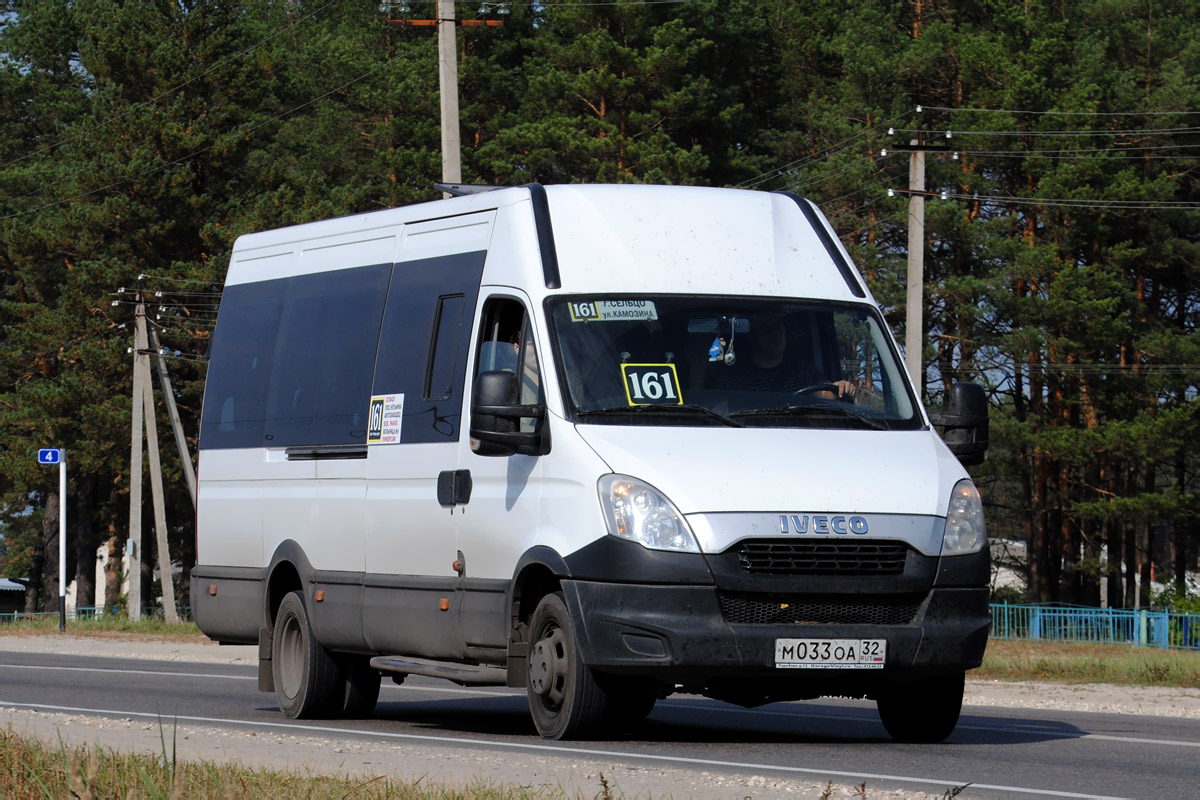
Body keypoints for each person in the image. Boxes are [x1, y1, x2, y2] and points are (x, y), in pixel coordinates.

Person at [720, 313, 856, 399]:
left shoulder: (804, 373)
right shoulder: (732, 381)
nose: (775, 334)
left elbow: (825, 393)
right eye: (767, 329)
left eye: (779, 327)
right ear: (753, 336)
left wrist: (840, 388)